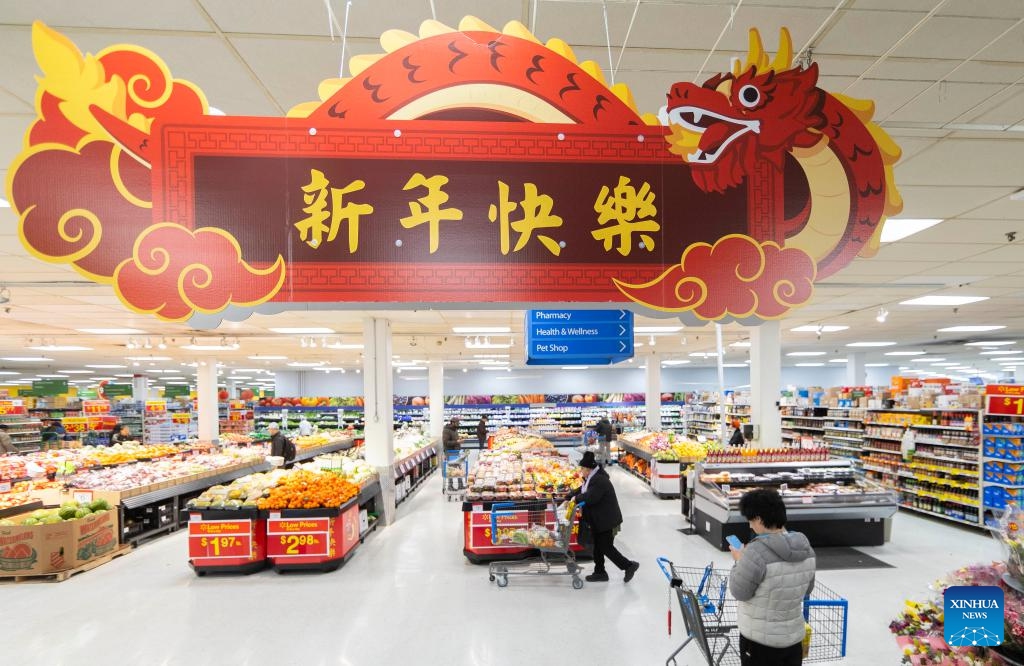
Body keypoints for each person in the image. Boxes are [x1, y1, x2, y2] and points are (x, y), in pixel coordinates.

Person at [729, 488, 816, 666]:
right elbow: (807, 589)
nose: (750, 525)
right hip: (793, 639)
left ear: (759, 519)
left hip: (760, 641)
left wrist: (739, 561)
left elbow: (739, 592)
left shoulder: (755, 551)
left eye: (751, 520)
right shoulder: (807, 549)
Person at [568, 451, 639, 583]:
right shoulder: (591, 478)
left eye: (582, 469)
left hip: (606, 520)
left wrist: (574, 499)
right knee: (598, 546)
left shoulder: (599, 480)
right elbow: (583, 489)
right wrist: (570, 494)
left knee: (605, 547)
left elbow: (590, 497)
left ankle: (629, 566)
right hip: (598, 519)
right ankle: (600, 572)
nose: (580, 471)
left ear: (588, 469)